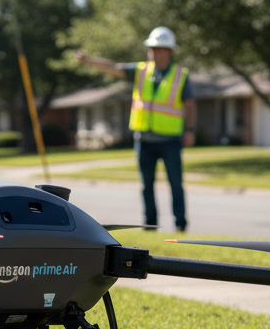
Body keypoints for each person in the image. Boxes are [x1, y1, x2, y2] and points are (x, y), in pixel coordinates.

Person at [75, 26, 196, 232]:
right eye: (152, 48)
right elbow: (114, 67)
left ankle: (180, 225)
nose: (154, 52)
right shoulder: (141, 71)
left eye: (159, 48)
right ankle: (150, 225)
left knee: (176, 184)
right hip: (144, 140)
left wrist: (190, 130)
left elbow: (190, 105)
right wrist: (88, 60)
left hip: (170, 141)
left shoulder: (180, 75)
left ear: (169, 51)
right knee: (146, 186)